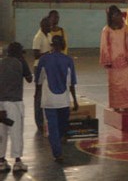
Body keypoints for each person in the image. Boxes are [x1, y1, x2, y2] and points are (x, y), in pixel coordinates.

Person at [35, 36, 78, 162]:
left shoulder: (44, 59)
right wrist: (74, 99)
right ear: (63, 45)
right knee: (62, 125)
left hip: (48, 100)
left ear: (52, 45)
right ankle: (57, 146)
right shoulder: (68, 60)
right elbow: (71, 83)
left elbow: (38, 80)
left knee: (52, 127)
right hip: (63, 101)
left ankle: (57, 153)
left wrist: (37, 95)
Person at [0, 42, 32, 172]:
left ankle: (1, 161)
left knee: (1, 133)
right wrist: (23, 61)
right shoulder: (20, 63)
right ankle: (17, 162)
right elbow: (29, 79)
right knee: (16, 133)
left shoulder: (0, 63)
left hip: (0, 103)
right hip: (14, 103)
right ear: (18, 52)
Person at [100, 6, 128, 111]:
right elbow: (104, 46)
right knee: (115, 85)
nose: (118, 17)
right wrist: (107, 60)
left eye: (119, 14)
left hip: (124, 60)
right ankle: (116, 106)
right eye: (115, 15)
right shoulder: (107, 30)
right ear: (111, 17)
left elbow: (127, 43)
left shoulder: (125, 28)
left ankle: (126, 105)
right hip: (113, 62)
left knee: (126, 85)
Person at [32, 17, 52, 132]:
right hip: (39, 67)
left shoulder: (48, 36)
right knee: (38, 94)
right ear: (43, 26)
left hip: (47, 67)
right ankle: (38, 120)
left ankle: (45, 119)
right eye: (48, 25)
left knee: (46, 93)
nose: (50, 27)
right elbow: (35, 54)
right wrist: (47, 53)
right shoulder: (38, 37)